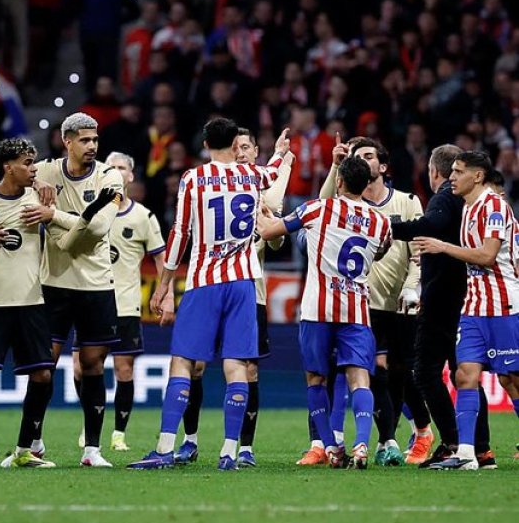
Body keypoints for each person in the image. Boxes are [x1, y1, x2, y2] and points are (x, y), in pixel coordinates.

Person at [127, 117, 288, 471]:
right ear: (234, 144)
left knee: (183, 361)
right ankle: (229, 452)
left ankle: (165, 448)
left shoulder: (193, 179)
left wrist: (164, 284)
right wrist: (279, 152)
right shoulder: (252, 176)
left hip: (204, 281)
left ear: (204, 144)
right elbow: (274, 172)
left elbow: (180, 233)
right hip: (243, 283)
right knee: (237, 365)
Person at [0, 137, 115, 467]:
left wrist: (80, 217)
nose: (34, 169)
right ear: (8, 167)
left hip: (32, 303)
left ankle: (24, 450)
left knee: (42, 376)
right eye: (27, 164)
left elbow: (64, 243)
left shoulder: (39, 200)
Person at [258, 156, 392, 469]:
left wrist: (262, 211)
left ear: (340, 182)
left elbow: (268, 232)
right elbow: (380, 251)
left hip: (318, 310)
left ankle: (331, 447)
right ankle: (361, 444)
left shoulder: (317, 209)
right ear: (366, 184)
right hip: (356, 310)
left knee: (316, 378)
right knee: (359, 378)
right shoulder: (381, 222)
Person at [174, 128, 294, 467]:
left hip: (250, 294)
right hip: (210, 286)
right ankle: (190, 440)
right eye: (235, 147)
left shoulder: (262, 194)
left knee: (249, 370)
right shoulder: (209, 188)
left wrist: (269, 225)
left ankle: (245, 448)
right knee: (196, 365)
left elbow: (277, 243)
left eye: (245, 147)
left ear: (255, 152)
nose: (240, 153)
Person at [319, 136, 426, 466]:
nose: (362, 160)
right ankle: (384, 441)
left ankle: (421, 430)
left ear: (382, 166)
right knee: (373, 370)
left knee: (400, 373)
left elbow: (418, 253)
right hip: (362, 304)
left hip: (401, 303)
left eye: (368, 156)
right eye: (357, 157)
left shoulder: (407, 202)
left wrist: (412, 288)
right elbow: (321, 207)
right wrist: (336, 166)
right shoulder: (348, 207)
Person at [28, 112, 126, 467]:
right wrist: (33, 183)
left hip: (95, 284)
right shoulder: (44, 171)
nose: (92, 146)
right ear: (66, 141)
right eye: (84, 140)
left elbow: (98, 228)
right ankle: (33, 443)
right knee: (43, 365)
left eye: (95, 140)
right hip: (53, 283)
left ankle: (92, 450)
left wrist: (52, 215)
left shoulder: (109, 176)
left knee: (92, 364)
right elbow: (9, 178)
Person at [390, 145, 495, 469]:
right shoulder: (472, 203)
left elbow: (429, 225)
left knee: (425, 372)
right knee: (467, 374)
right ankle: (480, 448)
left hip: (443, 302)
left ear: (435, 171)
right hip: (468, 298)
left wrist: (389, 227)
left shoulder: (445, 198)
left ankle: (453, 442)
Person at [412, 151, 519, 470]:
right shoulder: (468, 208)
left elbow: (487, 256)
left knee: (511, 379)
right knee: (465, 375)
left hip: (503, 306)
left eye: (459, 172)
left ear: (478, 176)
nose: (452, 177)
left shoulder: (495, 207)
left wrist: (442, 247)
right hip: (473, 306)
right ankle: (469, 455)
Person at [71, 151, 167, 452]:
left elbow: (161, 257)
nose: (116, 171)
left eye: (122, 167)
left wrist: (163, 292)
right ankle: (90, 422)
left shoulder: (143, 217)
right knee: (80, 369)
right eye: (110, 166)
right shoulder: (90, 210)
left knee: (124, 370)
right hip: (89, 301)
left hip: (125, 303)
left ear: (130, 175)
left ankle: (118, 434)